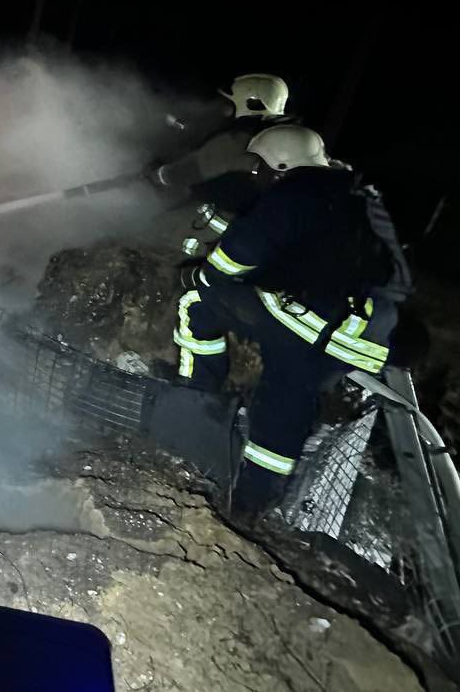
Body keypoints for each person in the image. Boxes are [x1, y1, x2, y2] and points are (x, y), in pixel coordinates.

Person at [170, 124, 412, 521]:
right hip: (368, 335)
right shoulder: (353, 194)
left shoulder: (298, 191)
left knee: (198, 302)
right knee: (286, 399)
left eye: (261, 167)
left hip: (318, 323)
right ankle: (251, 505)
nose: (256, 174)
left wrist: (201, 275)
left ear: (282, 166)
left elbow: (240, 251)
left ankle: (194, 404)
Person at [150, 73, 291, 216]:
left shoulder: (236, 143)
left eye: (229, 102)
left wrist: (155, 177)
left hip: (221, 205)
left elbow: (183, 172)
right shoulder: (264, 137)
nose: (222, 105)